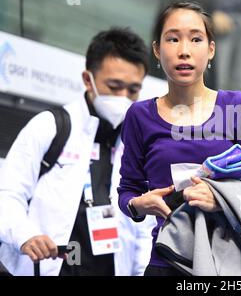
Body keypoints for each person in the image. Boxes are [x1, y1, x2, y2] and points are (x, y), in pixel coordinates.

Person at [117, 1, 241, 276]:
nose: (184, 51)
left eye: (196, 39)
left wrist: (222, 204)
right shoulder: (139, 116)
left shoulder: (237, 107)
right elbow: (128, 189)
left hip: (228, 263)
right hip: (167, 260)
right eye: (173, 39)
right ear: (157, 49)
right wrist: (137, 205)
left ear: (211, 49)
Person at [0, 28, 155, 276]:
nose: (123, 97)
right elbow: (7, 194)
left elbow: (143, 231)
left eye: (133, 90)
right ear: (87, 79)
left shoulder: (137, 146)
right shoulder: (50, 127)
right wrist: (25, 235)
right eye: (114, 86)